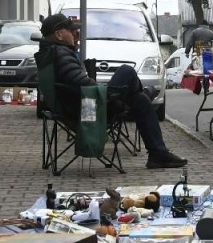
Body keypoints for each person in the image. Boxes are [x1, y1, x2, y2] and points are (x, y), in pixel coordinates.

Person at [37, 13, 186, 169]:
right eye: (71, 31)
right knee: (127, 71)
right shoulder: (61, 54)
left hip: (81, 106)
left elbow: (76, 83)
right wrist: (101, 87)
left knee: (140, 100)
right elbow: (83, 84)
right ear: (59, 34)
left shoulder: (53, 53)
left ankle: (158, 155)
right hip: (90, 110)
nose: (75, 34)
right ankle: (158, 151)